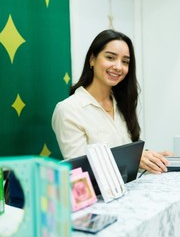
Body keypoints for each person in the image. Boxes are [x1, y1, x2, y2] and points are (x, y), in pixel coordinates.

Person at [52, 29, 171, 174]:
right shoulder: (68, 109)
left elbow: (126, 151)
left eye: (125, 61)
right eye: (110, 57)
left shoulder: (122, 102)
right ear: (92, 59)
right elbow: (81, 171)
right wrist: (134, 158)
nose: (118, 67)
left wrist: (152, 159)